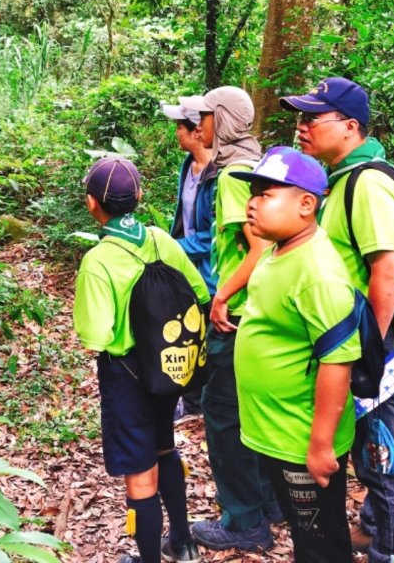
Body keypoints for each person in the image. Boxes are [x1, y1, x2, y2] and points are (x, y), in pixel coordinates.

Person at [280, 76, 394, 562]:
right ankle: (375, 530)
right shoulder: (340, 180)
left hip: (371, 350)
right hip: (352, 343)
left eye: (313, 118)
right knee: (368, 454)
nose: (301, 127)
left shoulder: (368, 182)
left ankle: (389, 552)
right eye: (300, 117)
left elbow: (386, 270)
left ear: (350, 126)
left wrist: (370, 354)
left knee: (380, 460)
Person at [73, 156, 210, 563]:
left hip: (127, 374)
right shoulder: (160, 240)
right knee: (165, 447)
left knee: (140, 467)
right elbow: (200, 292)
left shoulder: (98, 261)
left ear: (91, 204)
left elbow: (96, 336)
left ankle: (148, 557)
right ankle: (182, 543)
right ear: (139, 196)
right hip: (169, 366)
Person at [231, 146, 360, 563]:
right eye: (252, 193)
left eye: (266, 194)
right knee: (306, 535)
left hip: (302, 439)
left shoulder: (318, 273)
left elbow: (337, 360)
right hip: (277, 431)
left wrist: (321, 445)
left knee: (320, 542)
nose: (251, 203)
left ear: (306, 203)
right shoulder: (279, 249)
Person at [177, 87, 278, 553]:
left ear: (222, 120)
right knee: (245, 410)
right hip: (254, 311)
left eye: (205, 116)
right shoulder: (246, 163)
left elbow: (256, 248)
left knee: (223, 415)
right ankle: (269, 504)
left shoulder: (235, 174)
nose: (199, 124)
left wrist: (223, 295)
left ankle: (244, 521)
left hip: (237, 315)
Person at [160, 101, 216, 419]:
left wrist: (174, 246)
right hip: (186, 267)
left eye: (180, 126)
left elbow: (212, 236)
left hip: (210, 273)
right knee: (188, 334)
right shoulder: (188, 166)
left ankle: (200, 404)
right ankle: (190, 401)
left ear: (198, 130)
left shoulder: (218, 175)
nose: (177, 133)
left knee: (208, 338)